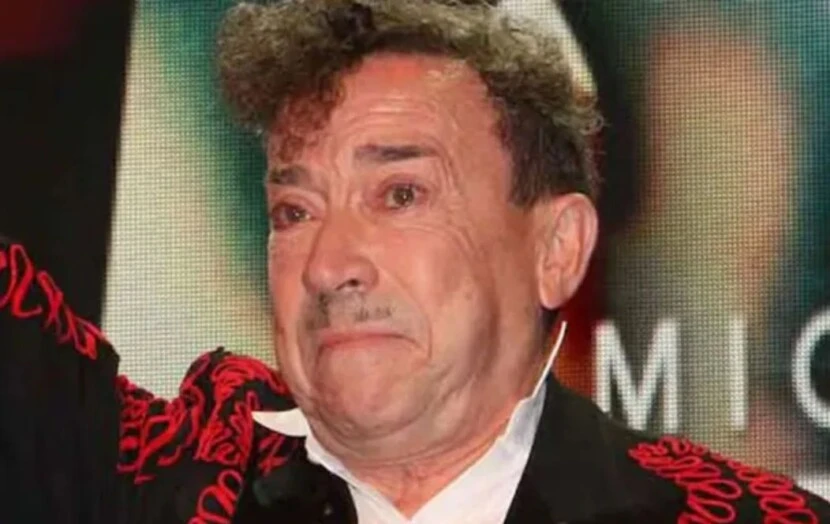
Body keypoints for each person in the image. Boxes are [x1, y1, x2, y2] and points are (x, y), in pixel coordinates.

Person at [1, 1, 828, 523]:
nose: (328, 263)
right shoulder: (184, 478)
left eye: (400, 195)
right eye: (295, 211)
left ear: (556, 249)